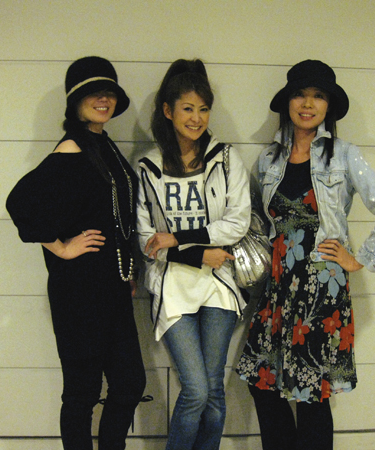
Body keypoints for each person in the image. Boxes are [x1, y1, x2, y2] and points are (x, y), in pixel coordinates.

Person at [236, 60, 375, 449]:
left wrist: (359, 259)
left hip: (321, 292)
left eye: (318, 96)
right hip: (278, 288)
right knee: (262, 380)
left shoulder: (344, 155)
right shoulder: (269, 160)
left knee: (310, 392)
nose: (308, 104)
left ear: (328, 106)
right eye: (300, 94)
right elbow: (254, 219)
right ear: (288, 101)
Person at [6, 56, 146, 450]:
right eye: (93, 93)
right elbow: (20, 202)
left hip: (112, 288)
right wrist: (62, 247)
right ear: (75, 100)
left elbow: (113, 214)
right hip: (80, 291)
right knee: (82, 393)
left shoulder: (102, 143)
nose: (103, 100)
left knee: (129, 383)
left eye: (109, 93)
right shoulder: (72, 146)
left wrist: (125, 268)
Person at [136, 59, 251, 450]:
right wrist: (198, 255)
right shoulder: (148, 166)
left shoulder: (226, 158)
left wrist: (179, 238)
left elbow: (237, 223)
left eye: (204, 109)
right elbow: (147, 240)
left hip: (218, 286)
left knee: (214, 393)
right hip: (173, 288)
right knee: (197, 390)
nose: (197, 118)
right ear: (168, 111)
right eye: (187, 108)